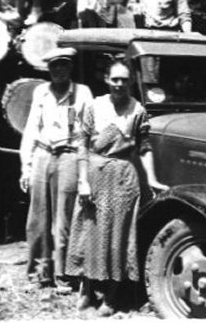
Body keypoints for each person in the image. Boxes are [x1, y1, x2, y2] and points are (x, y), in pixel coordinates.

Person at [65, 61, 168, 316]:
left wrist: (152, 178)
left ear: (130, 82)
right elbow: (82, 144)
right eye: (115, 79)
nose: (119, 84)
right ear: (107, 80)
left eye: (124, 80)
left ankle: (112, 296)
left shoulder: (138, 110)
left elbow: (144, 147)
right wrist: (83, 180)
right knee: (90, 232)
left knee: (118, 236)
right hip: (95, 175)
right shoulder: (94, 106)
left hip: (123, 178)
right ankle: (87, 290)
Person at [19, 47, 93, 292]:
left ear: (70, 67)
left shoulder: (83, 93)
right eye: (54, 66)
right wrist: (26, 166)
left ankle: (64, 276)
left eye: (63, 65)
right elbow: (31, 129)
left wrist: (84, 170)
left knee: (64, 219)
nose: (59, 70)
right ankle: (38, 275)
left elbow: (88, 133)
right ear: (48, 69)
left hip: (69, 156)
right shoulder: (41, 92)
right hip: (42, 154)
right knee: (37, 219)